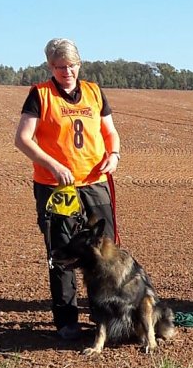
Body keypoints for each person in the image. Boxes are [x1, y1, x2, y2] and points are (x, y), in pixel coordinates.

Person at [14, 38, 121, 341]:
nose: (67, 72)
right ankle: (66, 322)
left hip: (94, 183)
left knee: (105, 251)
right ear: (51, 67)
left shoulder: (94, 91)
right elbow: (23, 139)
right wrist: (53, 166)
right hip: (56, 187)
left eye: (71, 66)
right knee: (63, 252)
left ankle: (108, 318)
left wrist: (113, 155)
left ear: (79, 64)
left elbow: (110, 131)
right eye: (60, 67)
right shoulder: (40, 95)